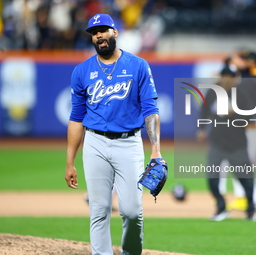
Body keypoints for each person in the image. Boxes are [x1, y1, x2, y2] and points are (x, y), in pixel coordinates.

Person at [64, 13, 163, 255]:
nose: (99, 35)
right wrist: (70, 162)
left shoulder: (138, 65)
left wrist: (156, 150)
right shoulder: (81, 71)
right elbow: (76, 118)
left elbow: (150, 109)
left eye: (103, 29)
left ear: (115, 32)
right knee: (99, 210)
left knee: (131, 211)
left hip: (128, 144)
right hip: (94, 142)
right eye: (94, 32)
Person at [196, 64, 256, 221]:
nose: (231, 80)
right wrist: (202, 128)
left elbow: (250, 114)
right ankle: (221, 206)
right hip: (217, 142)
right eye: (228, 77)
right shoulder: (213, 91)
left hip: (237, 143)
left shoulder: (241, 93)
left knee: (245, 178)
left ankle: (251, 207)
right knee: (212, 177)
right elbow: (204, 109)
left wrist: (233, 112)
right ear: (223, 77)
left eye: (233, 77)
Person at [226, 51, 256, 211]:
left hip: (255, 125)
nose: (244, 62)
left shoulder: (254, 78)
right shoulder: (252, 78)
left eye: (246, 60)